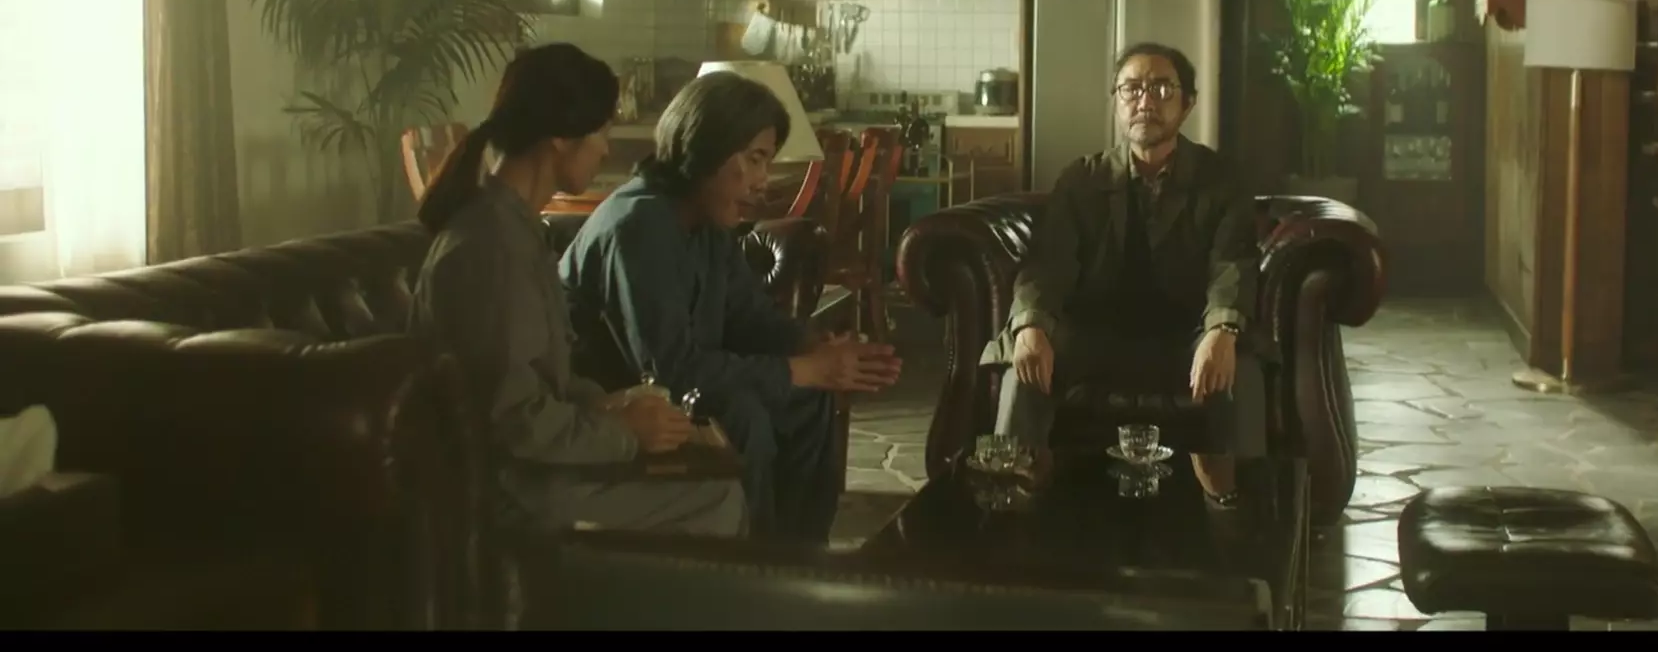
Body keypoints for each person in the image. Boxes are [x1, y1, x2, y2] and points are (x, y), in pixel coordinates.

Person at [410, 43, 747, 538]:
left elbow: (546, 382)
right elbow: (515, 421)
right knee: (717, 495)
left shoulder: (518, 229)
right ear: (561, 139)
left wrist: (612, 404)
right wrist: (625, 434)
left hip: (535, 466)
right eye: (602, 131)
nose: (607, 149)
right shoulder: (490, 248)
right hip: (510, 487)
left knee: (710, 463)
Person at [559, 71, 903, 544]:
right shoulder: (639, 225)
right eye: (755, 159)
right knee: (745, 414)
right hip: (614, 402)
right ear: (705, 148)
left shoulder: (706, 220)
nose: (764, 182)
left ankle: (801, 556)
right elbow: (669, 371)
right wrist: (804, 368)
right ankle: (750, 566)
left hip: (688, 381)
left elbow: (749, 317)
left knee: (810, 399)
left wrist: (814, 345)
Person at [982, 42, 1266, 494]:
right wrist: (1031, 325)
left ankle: (1245, 509)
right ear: (1116, 101)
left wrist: (1222, 329)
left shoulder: (1220, 180)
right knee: (1026, 362)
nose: (1145, 101)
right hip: (1094, 337)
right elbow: (1048, 263)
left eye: (1161, 89)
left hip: (1188, 338)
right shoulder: (1082, 179)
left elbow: (1232, 261)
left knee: (1241, 369)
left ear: (1188, 103)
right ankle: (1008, 500)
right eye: (1131, 89)